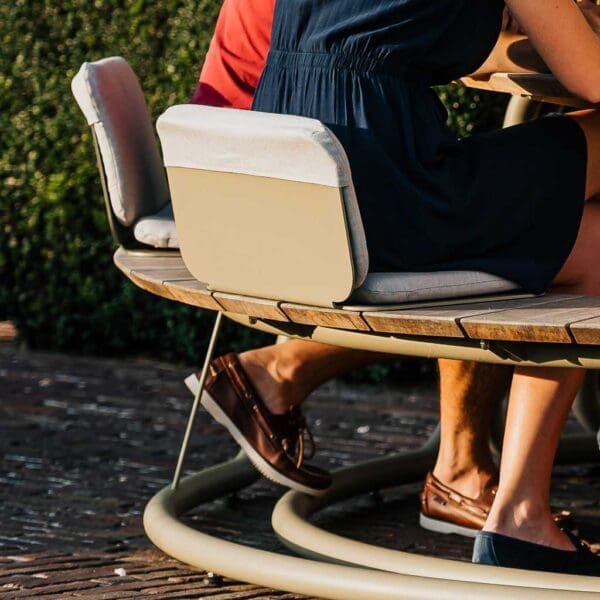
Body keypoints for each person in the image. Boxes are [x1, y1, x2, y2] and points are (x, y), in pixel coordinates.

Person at [246, 0, 600, 575]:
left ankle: (520, 520)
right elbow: (591, 75)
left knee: (593, 245)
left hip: (293, 163)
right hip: (382, 189)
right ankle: (518, 515)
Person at [191, 0, 519, 536]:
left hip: (241, 168)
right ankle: (459, 467)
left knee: (480, 221)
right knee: (494, 239)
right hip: (288, 177)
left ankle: (276, 375)